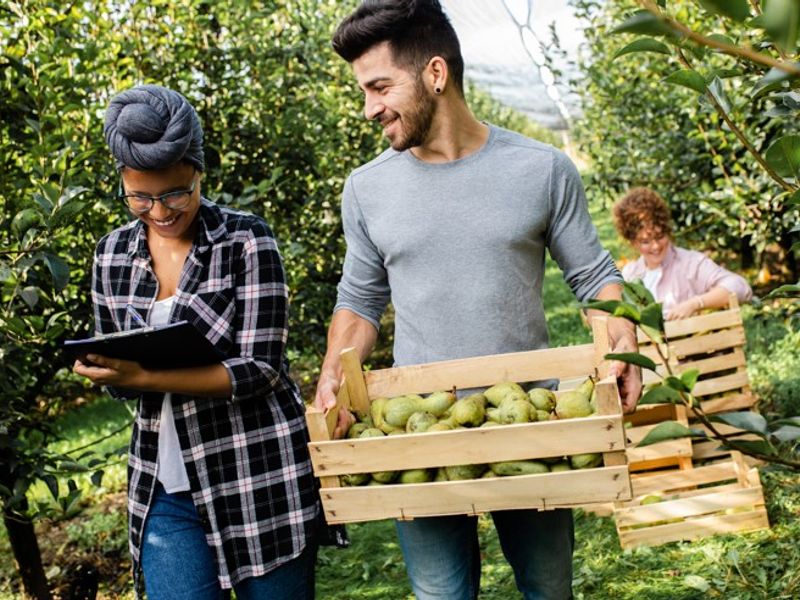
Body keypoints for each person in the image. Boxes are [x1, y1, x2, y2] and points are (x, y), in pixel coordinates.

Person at [313, 2, 642, 598]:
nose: (370, 108)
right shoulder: (366, 189)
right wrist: (335, 373)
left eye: (381, 87)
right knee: (441, 593)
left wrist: (623, 336)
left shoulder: (541, 170)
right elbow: (359, 302)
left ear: (435, 74)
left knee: (549, 589)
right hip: (420, 430)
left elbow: (594, 278)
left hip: (530, 425)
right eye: (364, 91)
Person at [73, 84, 320, 599]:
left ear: (198, 173)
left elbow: (260, 369)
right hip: (165, 487)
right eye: (140, 197)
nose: (159, 211)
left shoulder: (246, 240)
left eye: (174, 194)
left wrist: (146, 375)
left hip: (256, 478)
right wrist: (110, 374)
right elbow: (121, 379)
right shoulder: (111, 254)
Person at [613, 187, 752, 319]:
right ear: (632, 242)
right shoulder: (630, 274)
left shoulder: (690, 264)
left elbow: (740, 287)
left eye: (660, 236)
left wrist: (695, 303)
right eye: (645, 241)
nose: (655, 246)